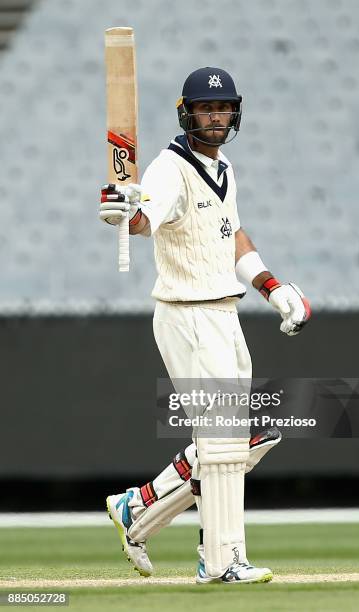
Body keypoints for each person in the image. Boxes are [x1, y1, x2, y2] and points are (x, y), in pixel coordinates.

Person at [99, 67, 311, 584]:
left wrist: (272, 287)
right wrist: (125, 212)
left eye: (223, 108)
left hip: (224, 313)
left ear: (233, 113)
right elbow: (147, 216)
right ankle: (220, 561)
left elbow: (231, 232)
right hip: (188, 314)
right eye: (205, 108)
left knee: (248, 438)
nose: (215, 117)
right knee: (222, 443)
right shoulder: (169, 170)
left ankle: (139, 509)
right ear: (187, 112)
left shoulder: (224, 169)